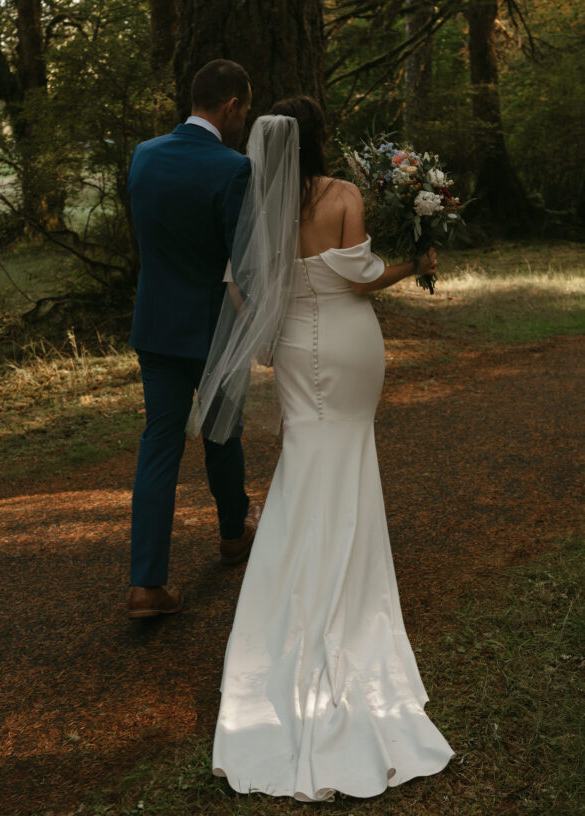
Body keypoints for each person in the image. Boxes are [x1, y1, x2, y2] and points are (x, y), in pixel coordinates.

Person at [206, 96, 454, 799]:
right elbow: (359, 277)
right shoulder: (341, 194)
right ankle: (346, 601)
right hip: (347, 342)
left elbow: (232, 286)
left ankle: (285, 603)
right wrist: (413, 265)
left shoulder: (254, 205)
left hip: (291, 345)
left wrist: (264, 331)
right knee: (347, 455)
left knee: (302, 463)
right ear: (318, 140)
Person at [125, 59, 261, 619]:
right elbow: (244, 259)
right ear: (230, 106)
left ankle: (146, 585)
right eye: (245, 110)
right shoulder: (233, 168)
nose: (244, 119)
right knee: (222, 435)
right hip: (212, 329)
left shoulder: (145, 156)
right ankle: (232, 536)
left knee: (159, 446)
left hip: (156, 324)